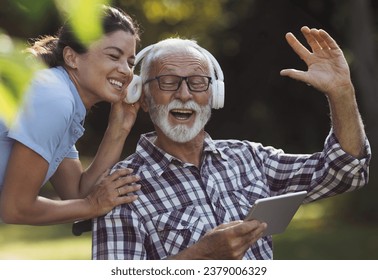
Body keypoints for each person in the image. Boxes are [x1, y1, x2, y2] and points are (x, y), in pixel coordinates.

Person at [92, 26, 371, 260]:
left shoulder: (249, 158)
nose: (185, 94)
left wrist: (342, 92)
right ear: (141, 96)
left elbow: (344, 172)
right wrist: (199, 257)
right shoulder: (120, 189)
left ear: (215, 95)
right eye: (168, 82)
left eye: (198, 82)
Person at [0, 6, 142, 225]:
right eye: (114, 56)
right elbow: (16, 207)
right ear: (72, 57)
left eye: (130, 62)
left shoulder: (64, 99)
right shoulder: (56, 98)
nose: (126, 70)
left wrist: (119, 128)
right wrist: (92, 205)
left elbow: (76, 194)